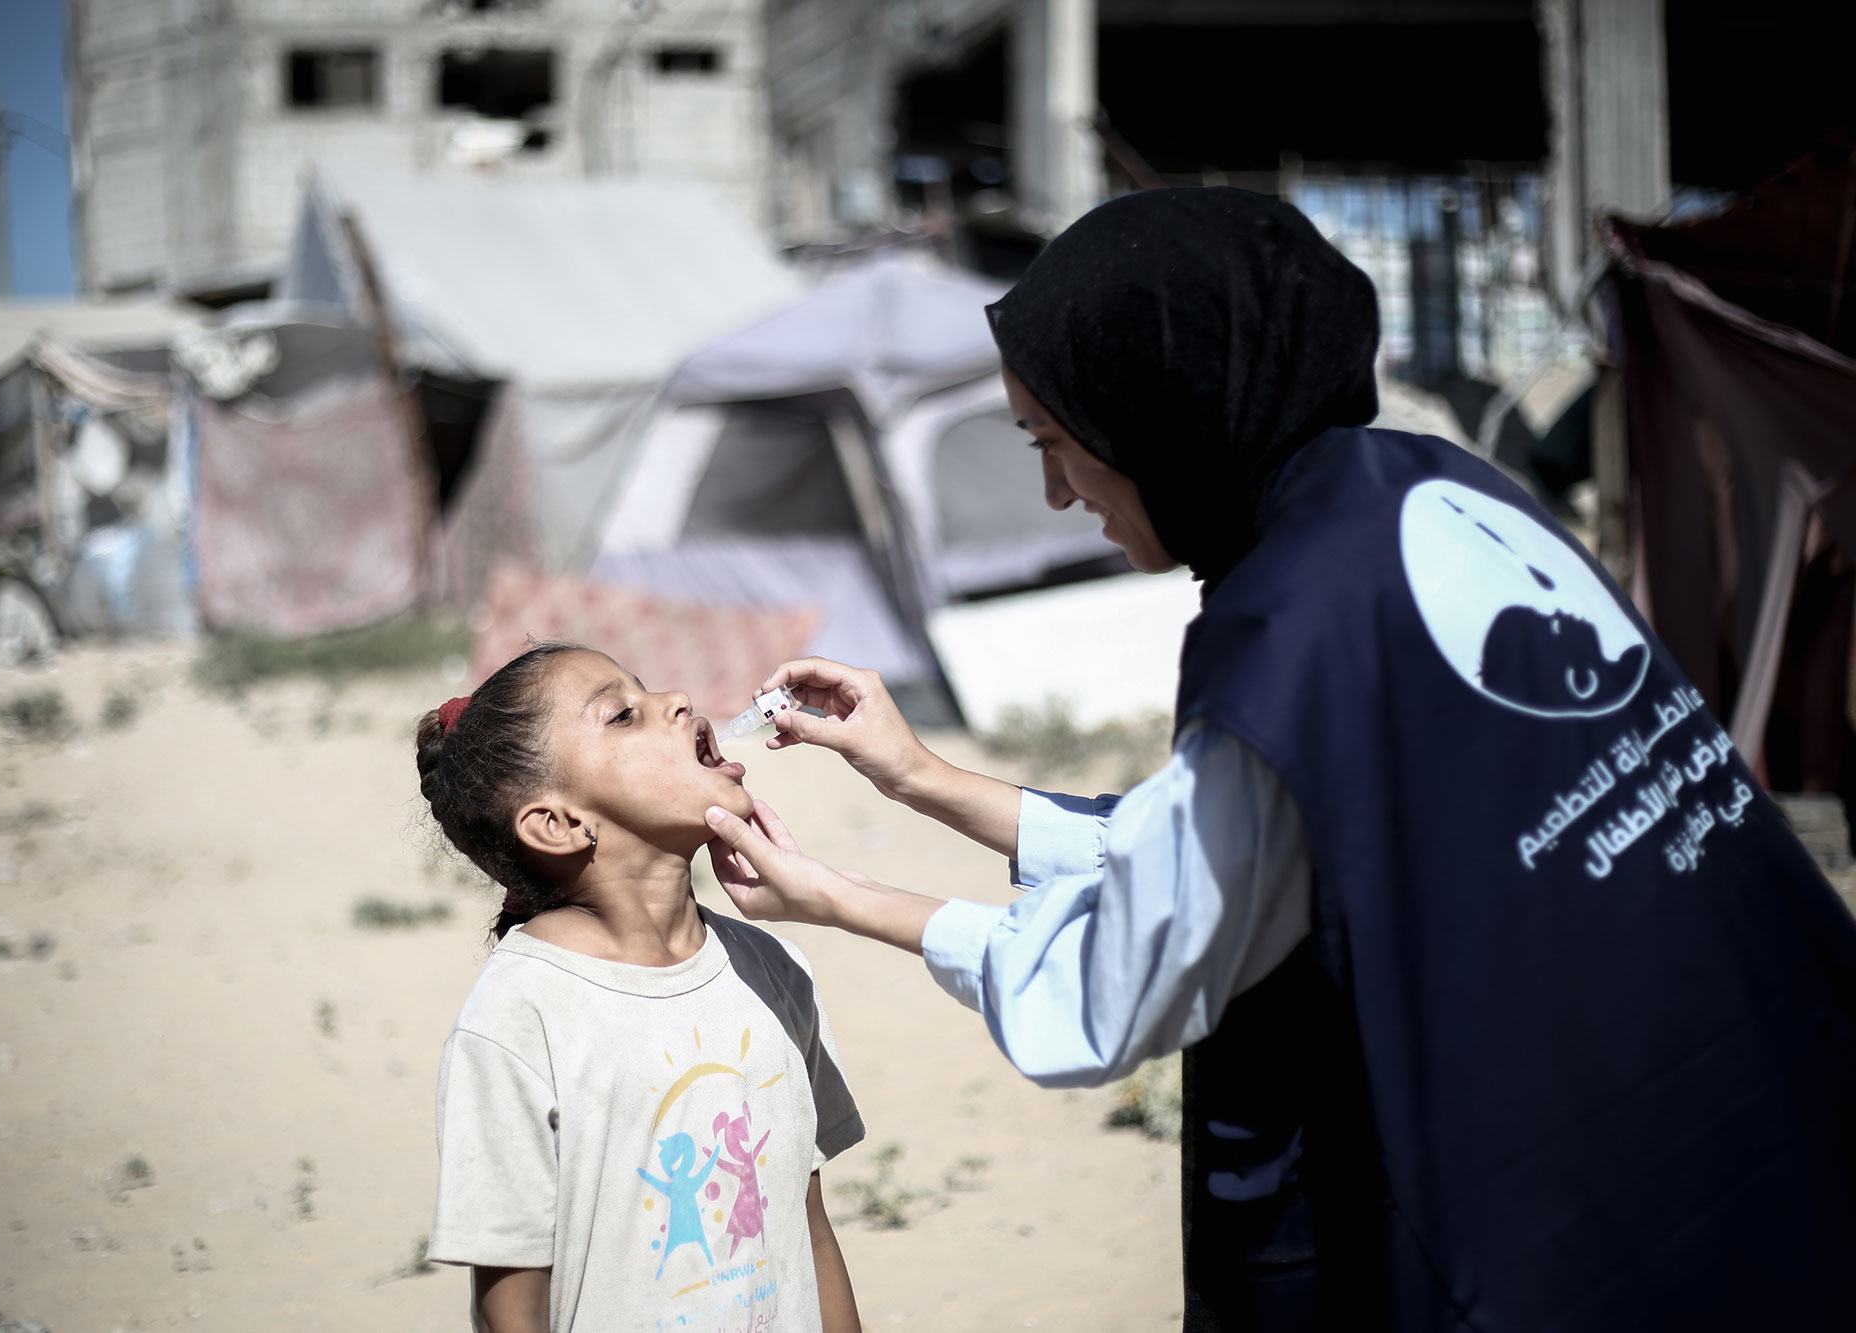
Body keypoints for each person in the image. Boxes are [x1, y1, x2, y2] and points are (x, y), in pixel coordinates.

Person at [700, 187, 1856, 1331]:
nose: (1058, 494)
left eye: (1055, 443)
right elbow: (1289, 847)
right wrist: (918, 778)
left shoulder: (1293, 624)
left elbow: (1104, 990)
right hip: (1765, 1108)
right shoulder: (1431, 497)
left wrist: (835, 899)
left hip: (1579, 1217)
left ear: (1158, 411)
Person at [417, 643, 864, 1333]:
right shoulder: (519, 1018)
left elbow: (810, 1230)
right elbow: (511, 1305)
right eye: (623, 713)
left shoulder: (773, 969)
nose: (678, 700)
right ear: (559, 823)